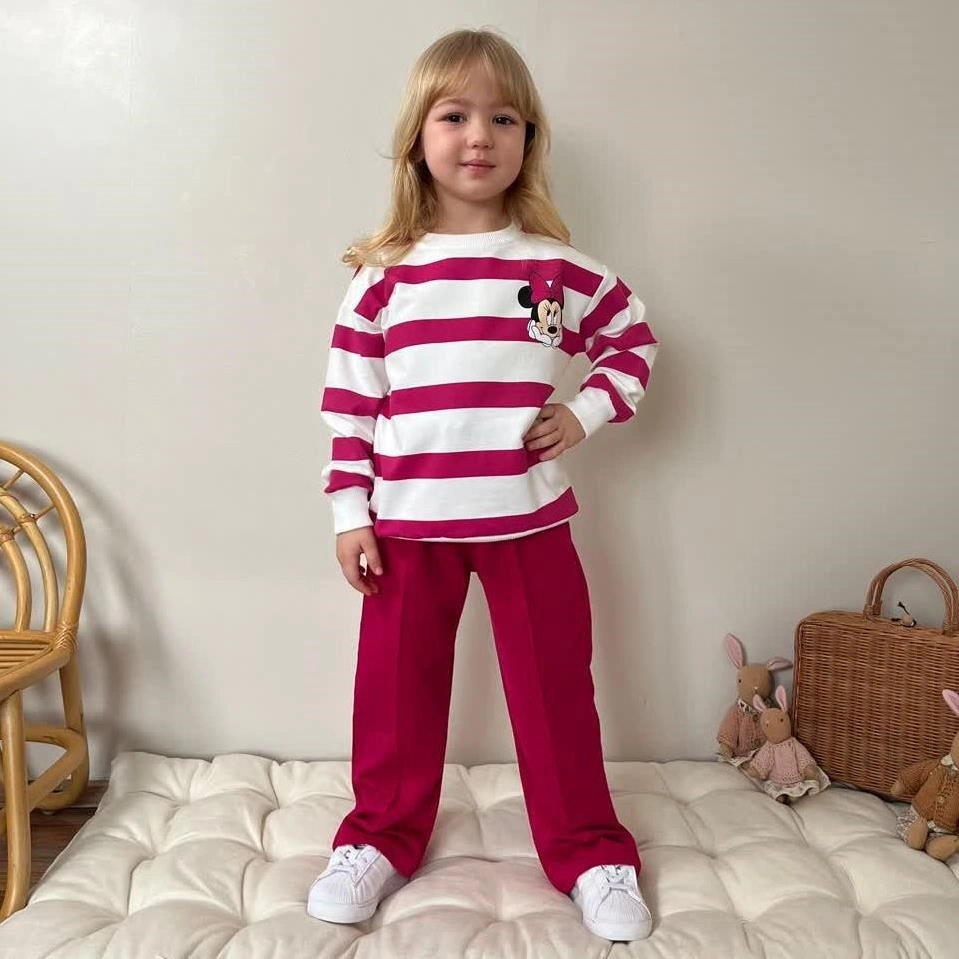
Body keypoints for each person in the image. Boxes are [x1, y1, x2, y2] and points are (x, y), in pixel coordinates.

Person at [308, 27, 659, 943]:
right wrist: (349, 514)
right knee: (393, 698)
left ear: (528, 140)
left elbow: (632, 342)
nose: (478, 136)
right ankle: (377, 837)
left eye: (504, 118)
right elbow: (350, 407)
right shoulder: (382, 277)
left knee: (554, 694)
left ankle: (589, 850)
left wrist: (582, 414)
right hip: (405, 527)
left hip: (527, 521)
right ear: (418, 138)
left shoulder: (556, 270)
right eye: (454, 115)